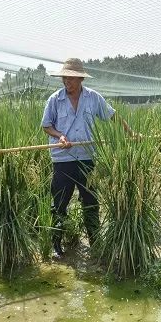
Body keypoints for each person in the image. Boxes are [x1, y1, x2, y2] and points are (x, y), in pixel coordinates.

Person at [41, 58, 132, 259]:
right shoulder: (54, 100)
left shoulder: (93, 98)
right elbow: (46, 125)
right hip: (62, 160)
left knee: (91, 201)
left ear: (81, 78)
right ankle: (56, 246)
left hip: (87, 159)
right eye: (65, 78)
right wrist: (59, 136)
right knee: (59, 203)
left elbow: (112, 116)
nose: (67, 82)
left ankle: (95, 244)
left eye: (71, 78)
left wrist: (130, 133)